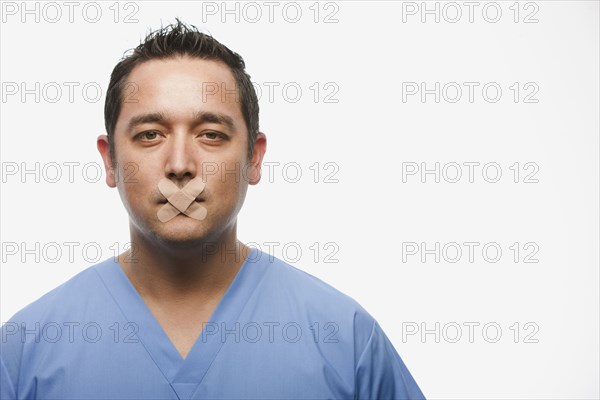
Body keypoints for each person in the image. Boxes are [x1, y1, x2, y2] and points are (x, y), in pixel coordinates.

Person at [0, 19, 425, 399]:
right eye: (150, 135)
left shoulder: (346, 342)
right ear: (110, 160)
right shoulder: (25, 350)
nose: (181, 165)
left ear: (254, 158)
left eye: (211, 135)